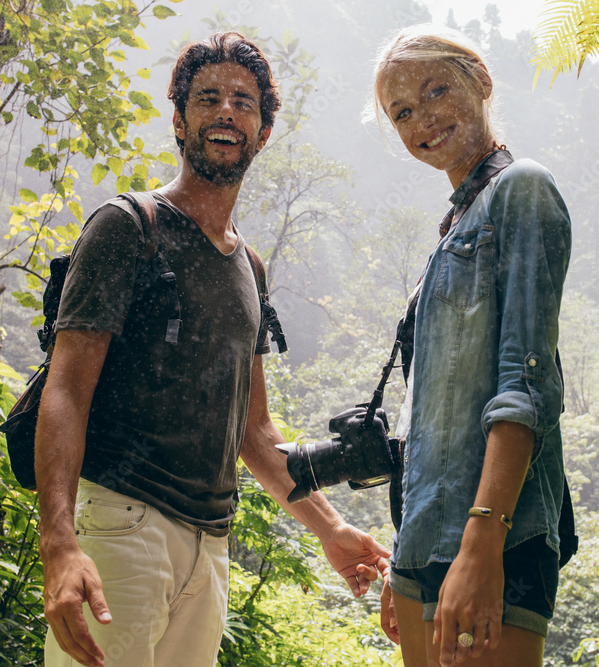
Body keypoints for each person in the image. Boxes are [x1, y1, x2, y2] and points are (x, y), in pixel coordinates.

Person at [36, 32, 389, 667]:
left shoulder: (248, 266)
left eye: (244, 102)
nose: (227, 110)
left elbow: (254, 433)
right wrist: (59, 543)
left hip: (211, 550)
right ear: (179, 119)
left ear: (263, 132)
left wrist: (332, 530)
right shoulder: (127, 226)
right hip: (122, 525)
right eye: (209, 98)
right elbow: (65, 391)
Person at [370, 24, 572, 667]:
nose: (422, 120)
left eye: (435, 92)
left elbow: (526, 382)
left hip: (493, 542)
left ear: (480, 82)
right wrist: (408, 551)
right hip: (426, 545)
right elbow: (430, 414)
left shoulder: (522, 190)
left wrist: (480, 546)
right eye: (402, 112)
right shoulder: (456, 224)